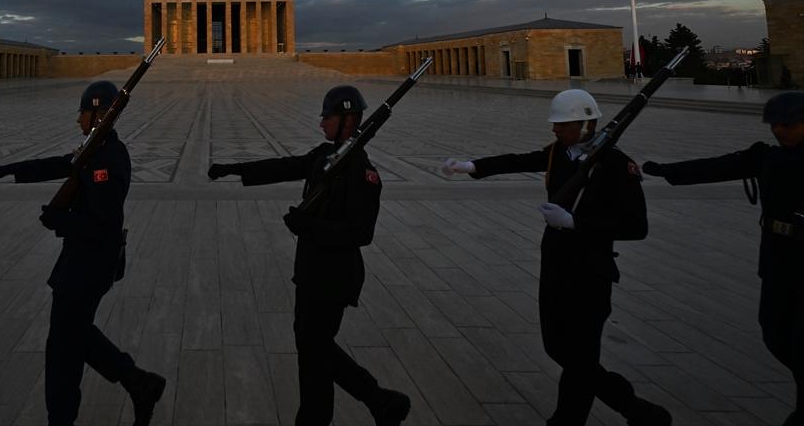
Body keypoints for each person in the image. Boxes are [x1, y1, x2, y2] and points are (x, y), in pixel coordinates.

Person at [442, 89, 671, 426]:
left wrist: (576, 222)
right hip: (556, 266)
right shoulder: (560, 153)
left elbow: (636, 226)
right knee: (558, 348)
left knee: (579, 356)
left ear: (585, 125)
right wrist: (470, 166)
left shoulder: (617, 164)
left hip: (591, 271)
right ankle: (633, 407)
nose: (554, 130)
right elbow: (521, 161)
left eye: (562, 124)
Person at [207, 85, 412, 426]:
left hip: (335, 276)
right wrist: (236, 169)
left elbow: (360, 232)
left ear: (348, 120)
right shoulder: (326, 156)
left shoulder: (363, 171)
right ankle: (368, 404)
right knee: (312, 350)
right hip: (311, 271)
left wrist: (307, 226)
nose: (321, 123)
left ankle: (375, 399)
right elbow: (286, 166)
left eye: (327, 117)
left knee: (313, 347)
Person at [0, 80, 166, 426]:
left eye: (82, 111)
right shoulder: (97, 150)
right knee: (72, 337)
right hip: (81, 263)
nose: (77, 119)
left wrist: (59, 220)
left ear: (98, 114)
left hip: (89, 266)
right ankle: (138, 382)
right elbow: (61, 165)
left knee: (64, 348)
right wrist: (11, 169)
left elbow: (101, 225)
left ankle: (87, 406)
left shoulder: (107, 160)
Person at [642, 91, 803, 426]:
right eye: (775, 125)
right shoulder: (768, 157)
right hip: (777, 259)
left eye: (788, 125)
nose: (780, 131)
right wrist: (670, 171)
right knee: (774, 333)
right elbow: (720, 166)